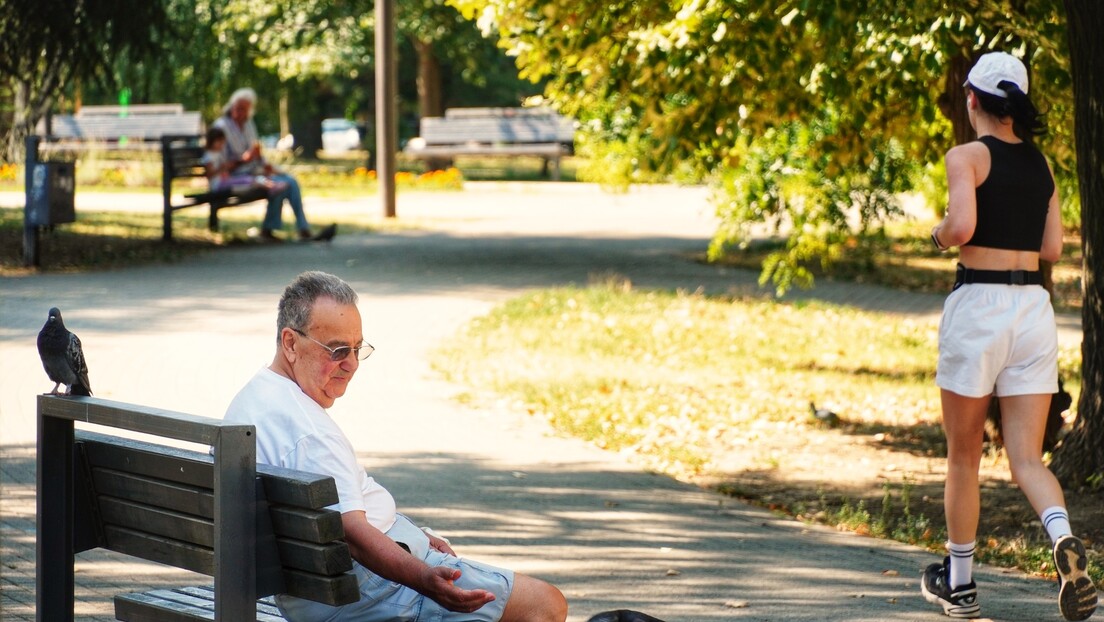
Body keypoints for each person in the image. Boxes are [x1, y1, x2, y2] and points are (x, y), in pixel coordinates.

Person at [224, 271, 568, 622]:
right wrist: (424, 578)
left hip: (311, 591)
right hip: (365, 591)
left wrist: (412, 536)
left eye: (358, 349)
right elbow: (354, 535)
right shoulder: (311, 435)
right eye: (337, 350)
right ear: (291, 343)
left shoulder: (252, 400)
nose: (352, 364)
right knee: (545, 604)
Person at [924, 51, 1097, 621]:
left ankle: (961, 585)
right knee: (1026, 456)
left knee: (963, 456)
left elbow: (963, 227)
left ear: (970, 99)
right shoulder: (1042, 165)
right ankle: (1062, 539)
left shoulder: (966, 156)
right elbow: (1052, 250)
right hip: (1033, 309)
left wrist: (938, 235)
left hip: (979, 304)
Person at [212, 88, 334, 242]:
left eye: (244, 109)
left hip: (254, 171)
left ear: (250, 110)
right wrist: (244, 160)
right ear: (231, 106)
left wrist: (264, 164)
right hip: (236, 176)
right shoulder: (221, 127)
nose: (239, 113)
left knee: (290, 181)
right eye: (237, 108)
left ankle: (303, 229)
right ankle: (269, 230)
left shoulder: (248, 124)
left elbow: (255, 151)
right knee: (279, 185)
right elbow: (219, 165)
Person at [202, 127, 288, 196]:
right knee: (248, 180)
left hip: (223, 181)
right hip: (218, 185)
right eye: (220, 142)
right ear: (212, 141)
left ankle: (271, 186)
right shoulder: (209, 156)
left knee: (250, 179)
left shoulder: (217, 154)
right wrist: (222, 168)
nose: (222, 145)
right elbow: (210, 174)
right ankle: (271, 187)